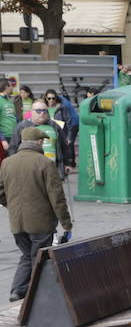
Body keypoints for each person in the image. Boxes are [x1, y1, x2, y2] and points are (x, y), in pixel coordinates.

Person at [0, 127, 73, 301]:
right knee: (38, 258)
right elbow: (57, 197)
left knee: (27, 255)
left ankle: (17, 290)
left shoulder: (7, 163)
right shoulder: (45, 163)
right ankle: (37, 295)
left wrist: (12, 206)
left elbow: (0, 191)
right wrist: (66, 224)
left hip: (17, 222)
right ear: (39, 142)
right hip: (41, 222)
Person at [10, 103, 71, 174]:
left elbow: (64, 145)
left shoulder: (55, 126)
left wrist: (68, 163)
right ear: (32, 112)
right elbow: (13, 147)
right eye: (38, 111)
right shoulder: (22, 127)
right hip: (29, 170)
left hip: (52, 168)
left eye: (44, 111)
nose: (42, 113)